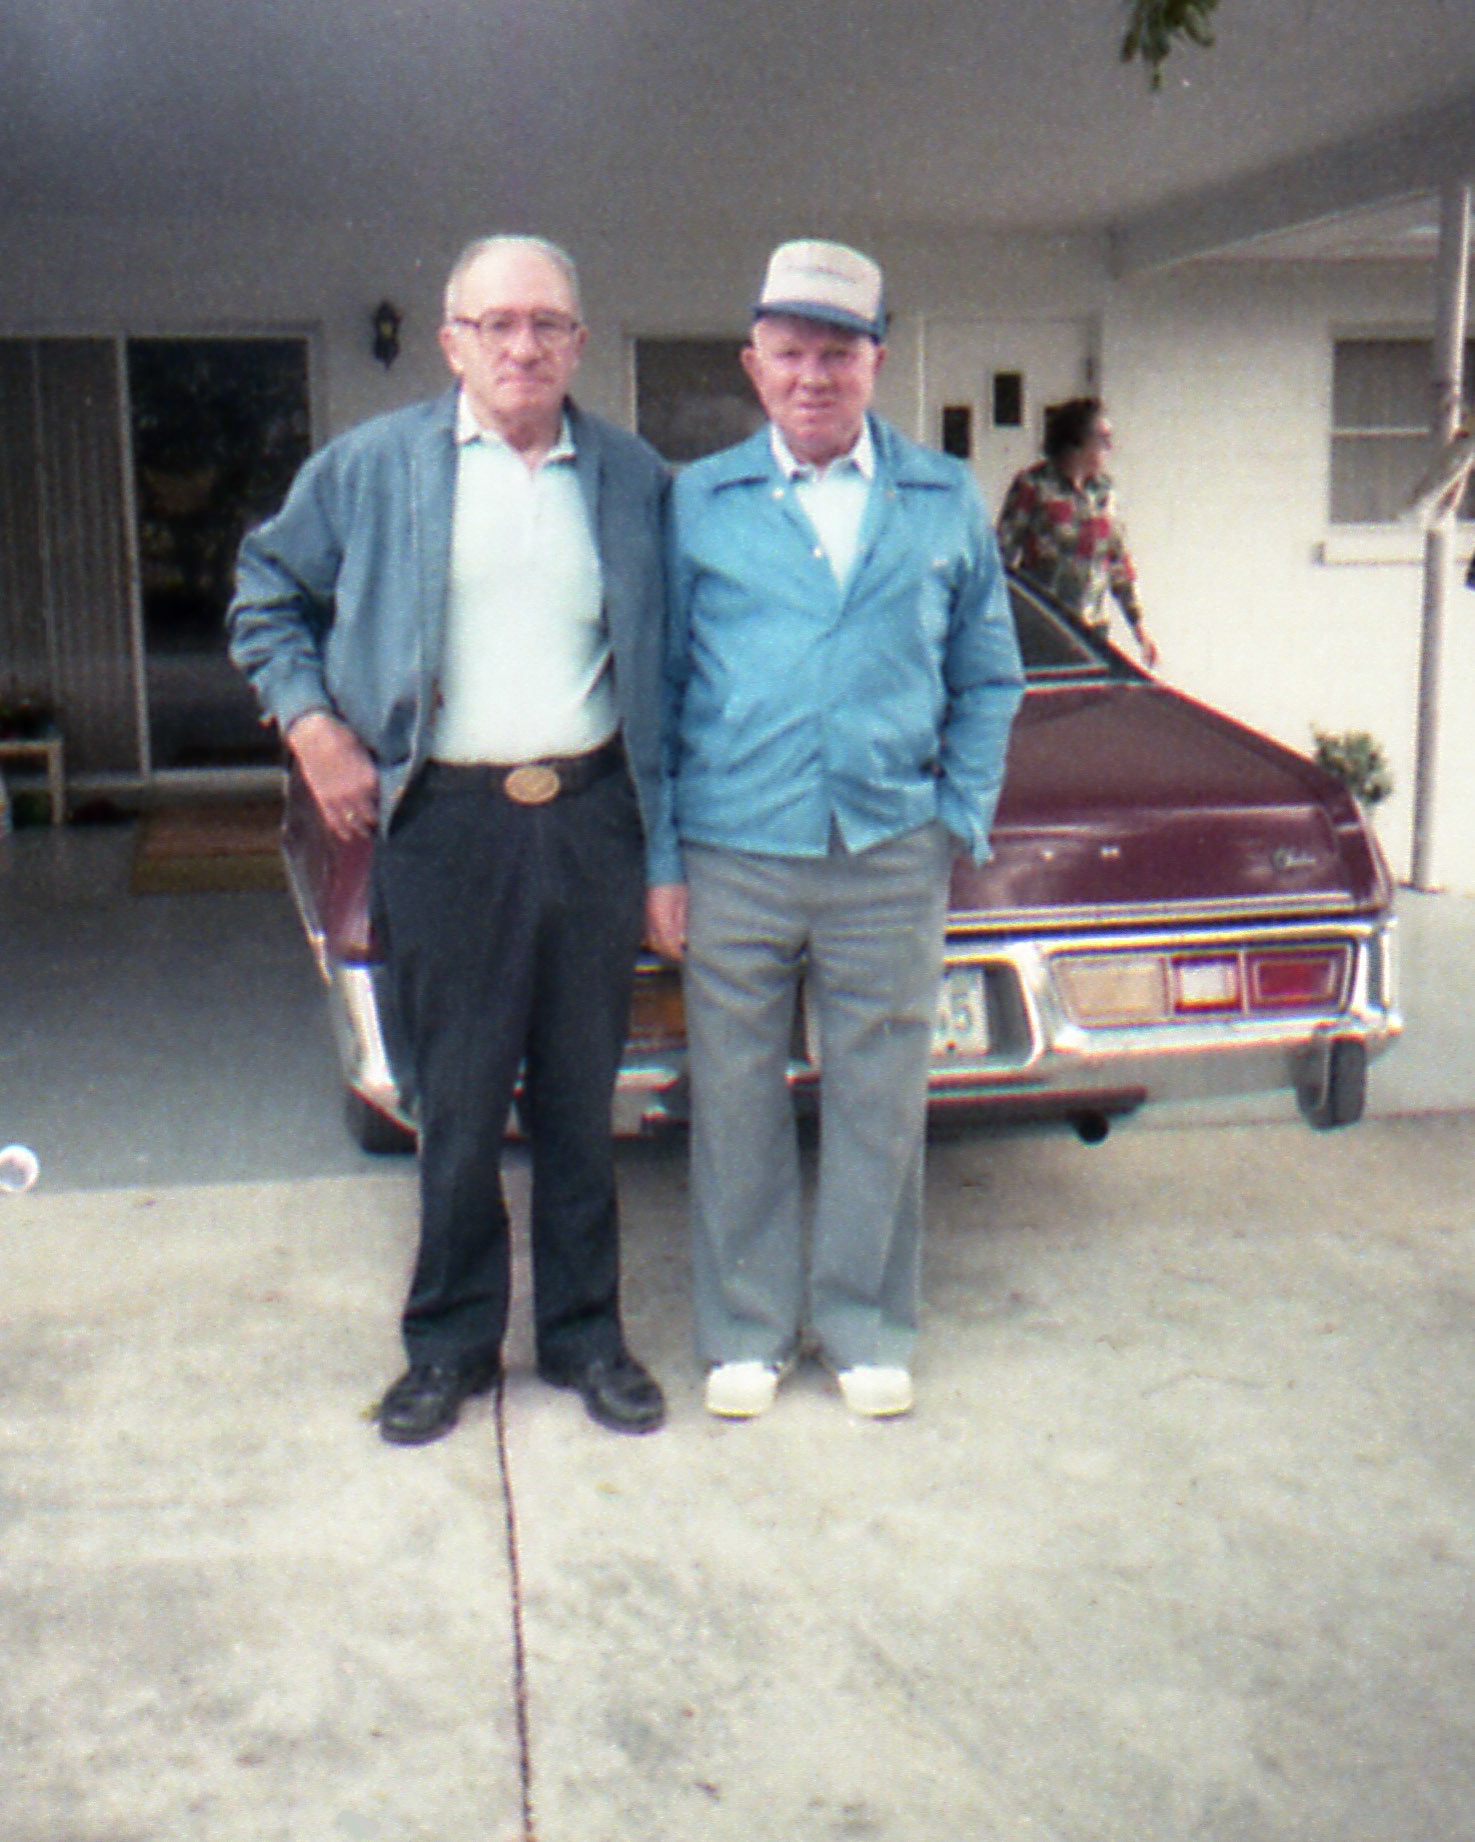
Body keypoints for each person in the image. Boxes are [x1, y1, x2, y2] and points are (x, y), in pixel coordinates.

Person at [228, 235, 668, 1443]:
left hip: (587, 819)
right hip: (447, 826)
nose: (521, 346)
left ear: (578, 341)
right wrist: (312, 724)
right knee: (459, 1104)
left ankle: (585, 1338)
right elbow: (262, 590)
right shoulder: (373, 470)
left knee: (583, 1100)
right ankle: (451, 1346)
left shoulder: (632, 479)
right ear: (450, 341)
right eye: (495, 324)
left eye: (545, 324)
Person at [645, 239, 1024, 1421]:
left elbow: (989, 676)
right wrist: (660, 861)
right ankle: (747, 1334)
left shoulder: (940, 497)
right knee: (737, 1099)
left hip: (884, 852)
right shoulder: (696, 500)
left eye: (838, 353)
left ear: (877, 361)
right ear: (753, 364)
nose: (813, 376)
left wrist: (953, 814)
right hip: (733, 851)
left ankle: (862, 1327)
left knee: (878, 1095)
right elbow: (655, 697)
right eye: (790, 352)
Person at [996, 397, 1159, 668]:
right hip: (1045, 631)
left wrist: (1138, 628)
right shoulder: (1033, 486)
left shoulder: (1105, 491)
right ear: (1076, 442)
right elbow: (1001, 560)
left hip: (1092, 633)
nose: (1110, 447)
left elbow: (1117, 561)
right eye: (1103, 439)